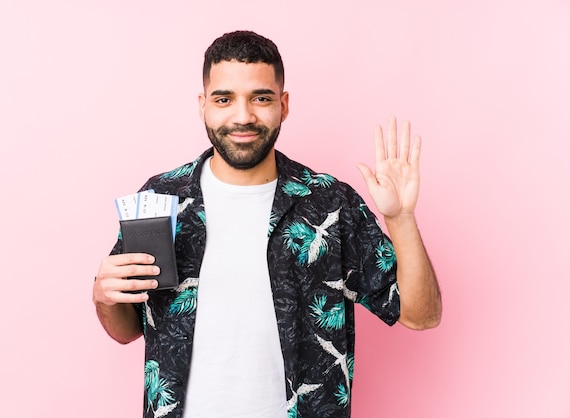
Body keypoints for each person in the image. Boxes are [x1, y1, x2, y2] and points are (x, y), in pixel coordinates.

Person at [93, 30, 442, 418]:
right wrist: (103, 296)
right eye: (224, 99)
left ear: (284, 105)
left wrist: (401, 219)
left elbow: (420, 314)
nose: (243, 117)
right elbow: (127, 328)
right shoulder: (162, 198)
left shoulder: (330, 204)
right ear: (203, 105)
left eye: (261, 98)